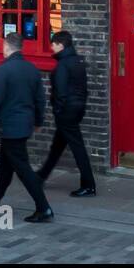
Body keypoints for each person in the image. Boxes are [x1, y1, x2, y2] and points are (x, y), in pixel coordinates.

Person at [0, 31, 53, 223]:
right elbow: (40, 100)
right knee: (5, 166)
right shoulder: (32, 69)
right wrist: (38, 122)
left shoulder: (4, 70)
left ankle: (44, 208)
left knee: (23, 170)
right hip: (23, 125)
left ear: (6, 46)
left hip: (11, 126)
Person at [36, 31, 96, 197]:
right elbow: (83, 88)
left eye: (53, 44)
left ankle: (89, 185)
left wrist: (58, 110)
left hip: (66, 112)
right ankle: (41, 176)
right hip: (77, 109)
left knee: (77, 148)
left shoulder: (63, 65)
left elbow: (60, 92)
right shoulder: (78, 61)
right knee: (57, 146)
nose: (51, 47)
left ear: (61, 45)